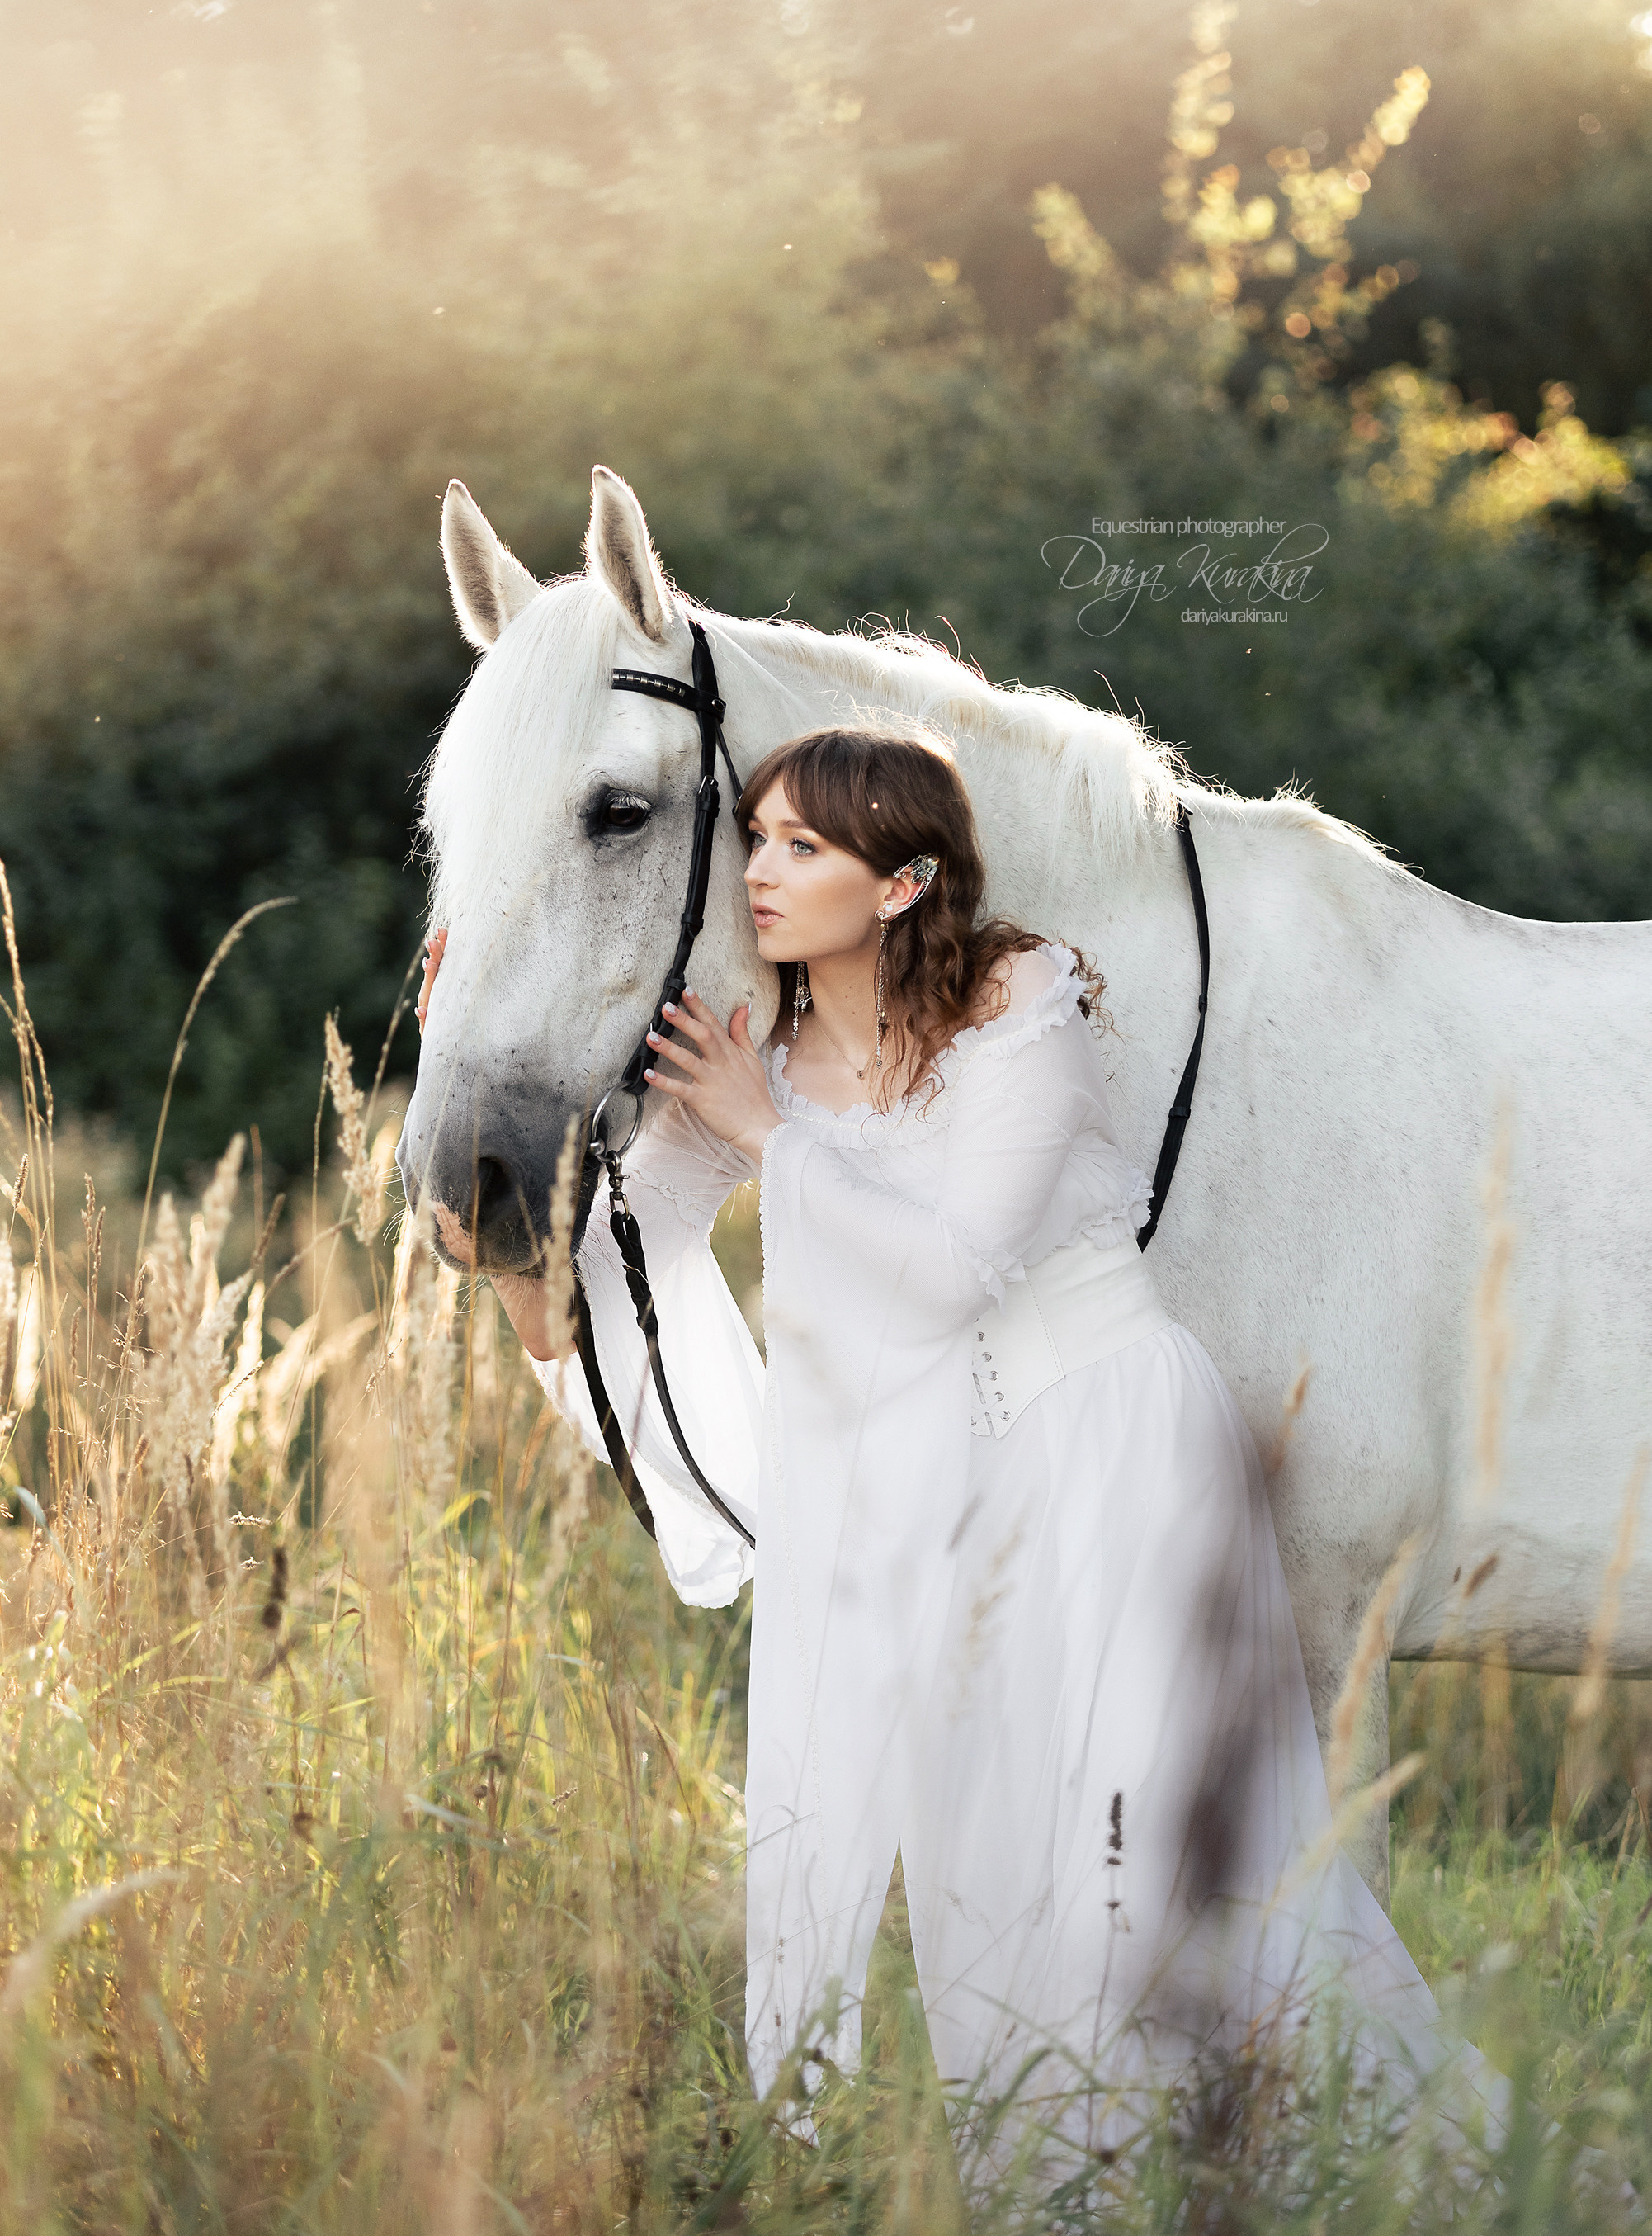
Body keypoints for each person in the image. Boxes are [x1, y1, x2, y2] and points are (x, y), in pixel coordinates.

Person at [418, 723, 1509, 2182]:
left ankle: (1408, 2170)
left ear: (897, 881)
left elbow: (960, 1265)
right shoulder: (759, 1056)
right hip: (948, 1508)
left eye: (804, 844)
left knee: (1183, 1863)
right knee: (990, 1882)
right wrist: (484, 1157)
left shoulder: (1018, 991)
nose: (762, 868)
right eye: (759, 836)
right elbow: (573, 1309)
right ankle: (1072, 2194)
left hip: (1116, 1450)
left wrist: (775, 1138)